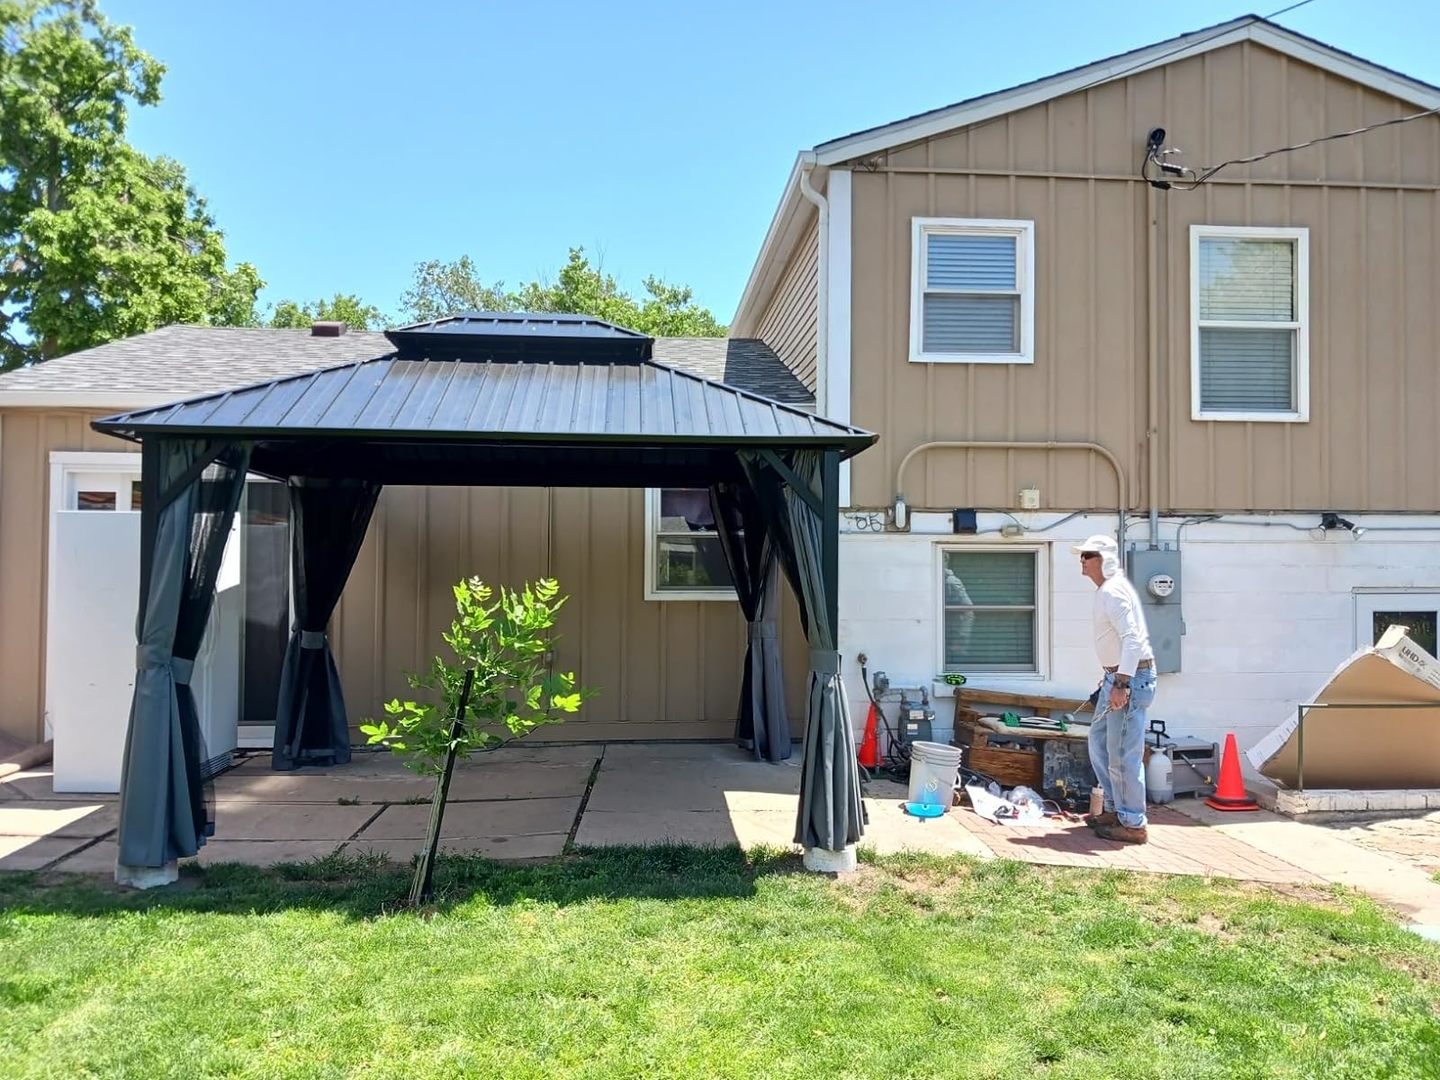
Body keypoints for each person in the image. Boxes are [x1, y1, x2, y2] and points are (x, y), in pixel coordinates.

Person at [1073, 534, 1156, 845]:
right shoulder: (1107, 591)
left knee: (1122, 754)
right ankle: (1113, 810)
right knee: (1099, 743)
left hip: (1129, 680)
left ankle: (1133, 823)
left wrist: (1121, 683)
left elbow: (1133, 639)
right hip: (1117, 678)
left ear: (1104, 559)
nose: (1082, 560)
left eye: (1088, 555)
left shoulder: (1113, 591)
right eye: (1081, 555)